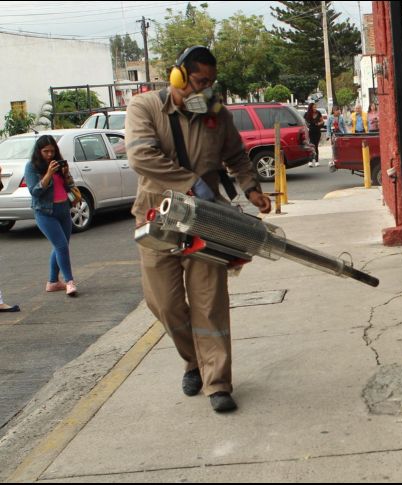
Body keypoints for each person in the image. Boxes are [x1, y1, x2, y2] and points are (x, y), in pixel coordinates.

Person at [126, 45, 272, 413]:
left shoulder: (215, 109)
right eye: (198, 80)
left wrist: (251, 186)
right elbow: (141, 156)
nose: (203, 89)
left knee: (209, 303)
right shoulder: (143, 108)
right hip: (157, 217)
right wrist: (191, 182)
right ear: (177, 75)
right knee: (165, 303)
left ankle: (217, 381)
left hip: (207, 218)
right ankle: (193, 360)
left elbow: (236, 152)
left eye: (210, 82)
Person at [24, 135, 78, 297]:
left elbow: (69, 186)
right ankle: (69, 282)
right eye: (45, 151)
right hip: (45, 212)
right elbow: (35, 191)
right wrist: (48, 174)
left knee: (61, 246)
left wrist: (66, 174)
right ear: (38, 151)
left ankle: (53, 282)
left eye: (52, 151)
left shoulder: (58, 164)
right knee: (61, 246)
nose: (49, 155)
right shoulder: (32, 167)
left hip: (63, 209)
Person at [303, 103, 324, 167]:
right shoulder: (307, 114)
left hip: (317, 131)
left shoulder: (318, 113)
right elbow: (304, 122)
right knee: (312, 146)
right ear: (310, 108)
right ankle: (310, 161)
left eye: (315, 107)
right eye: (314, 107)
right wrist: (307, 126)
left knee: (316, 146)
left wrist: (319, 123)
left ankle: (317, 161)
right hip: (310, 132)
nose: (315, 108)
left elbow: (322, 121)